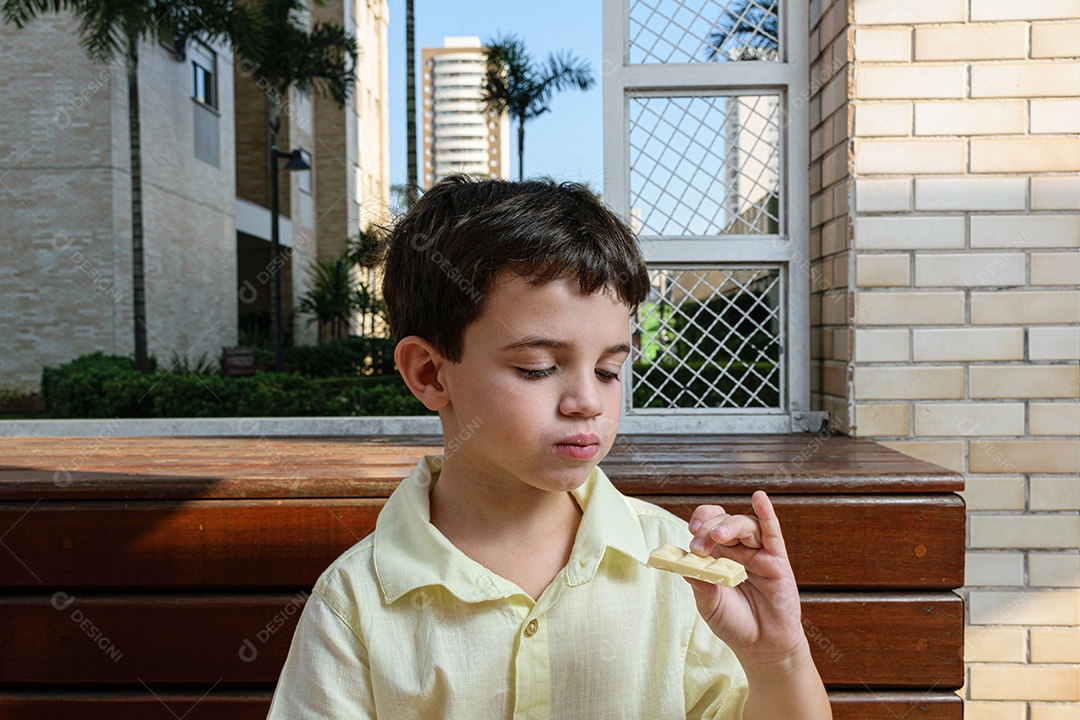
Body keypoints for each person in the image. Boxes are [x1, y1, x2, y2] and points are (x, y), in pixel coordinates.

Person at [266, 176, 831, 719]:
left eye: (610, 370)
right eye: (537, 368)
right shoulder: (357, 601)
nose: (587, 401)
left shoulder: (681, 567)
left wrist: (776, 657)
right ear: (431, 373)